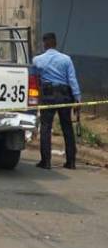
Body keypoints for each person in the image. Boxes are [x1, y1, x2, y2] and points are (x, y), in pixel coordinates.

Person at [33, 32, 82, 170]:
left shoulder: (37, 60)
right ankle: (71, 162)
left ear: (45, 44)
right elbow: (72, 80)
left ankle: (46, 161)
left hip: (48, 95)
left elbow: (35, 78)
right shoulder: (66, 59)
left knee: (46, 127)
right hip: (65, 95)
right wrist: (77, 99)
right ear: (55, 43)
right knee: (67, 128)